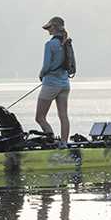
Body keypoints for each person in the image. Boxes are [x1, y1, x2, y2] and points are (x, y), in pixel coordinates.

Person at [36, 16, 72, 145]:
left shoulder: (50, 44)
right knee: (63, 116)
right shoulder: (66, 42)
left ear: (54, 27)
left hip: (50, 84)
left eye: (49, 28)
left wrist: (41, 74)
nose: (48, 30)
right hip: (65, 84)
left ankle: (50, 140)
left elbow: (46, 66)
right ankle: (64, 143)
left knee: (40, 117)